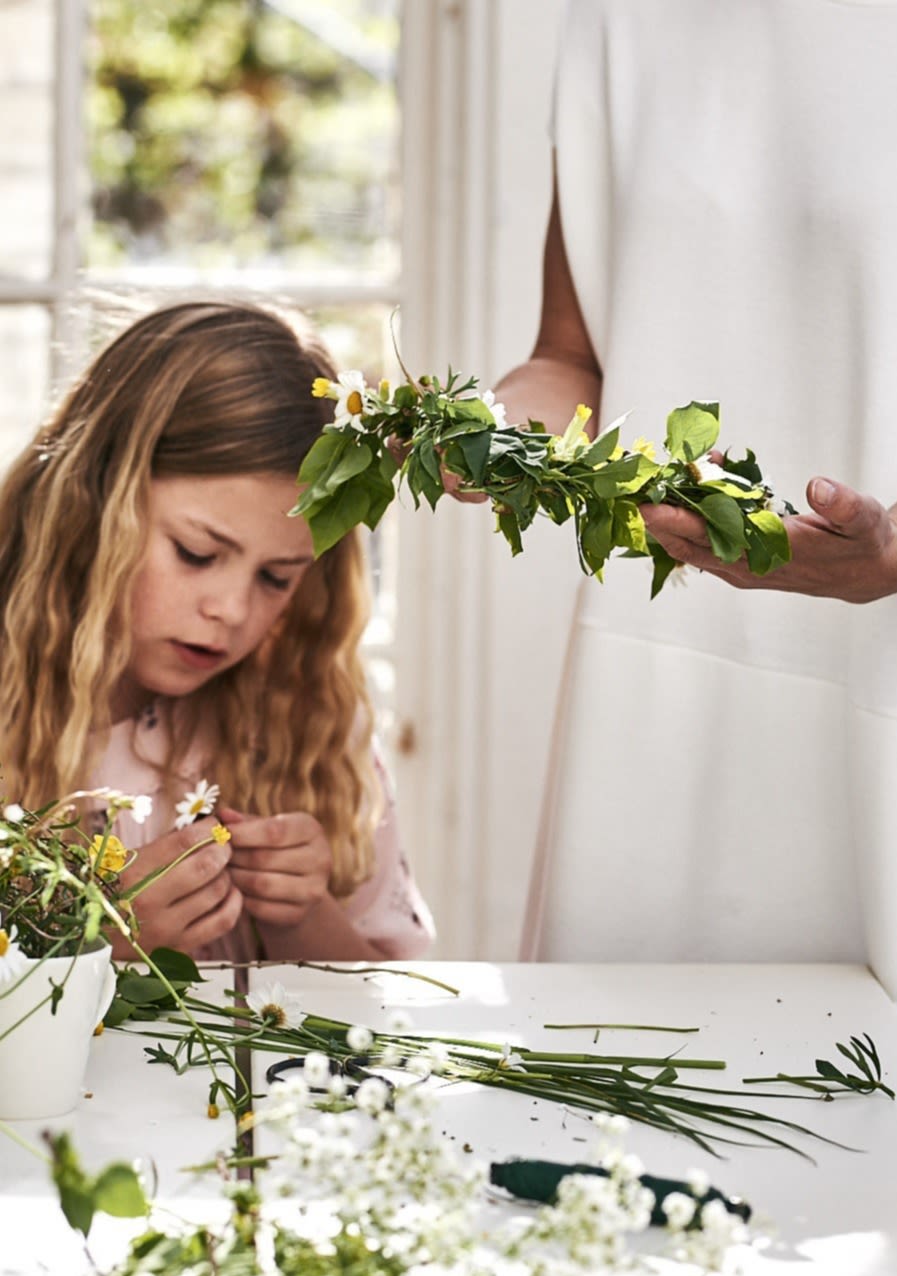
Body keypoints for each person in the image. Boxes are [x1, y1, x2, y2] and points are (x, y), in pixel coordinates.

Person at [495, 0, 897, 987]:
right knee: (619, 1097)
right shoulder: (613, 21)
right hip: (656, 684)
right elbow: (570, 359)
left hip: (878, 681)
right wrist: (487, 435)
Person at [0, 301, 434, 964]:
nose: (231, 610)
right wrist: (90, 943)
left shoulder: (308, 717)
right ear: (92, 502)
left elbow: (387, 1008)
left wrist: (302, 916)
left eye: (276, 577)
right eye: (197, 553)